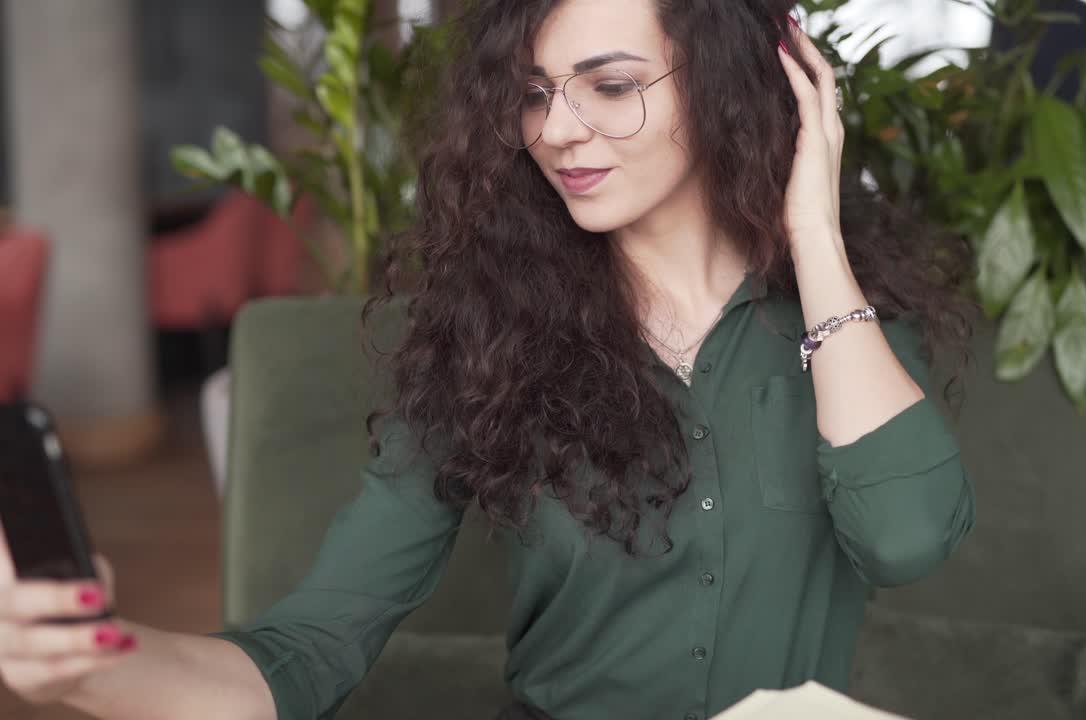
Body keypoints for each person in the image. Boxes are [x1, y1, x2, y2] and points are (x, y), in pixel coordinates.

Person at [0, 1, 976, 718]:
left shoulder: (844, 323)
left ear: (731, 86)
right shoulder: (488, 341)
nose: (555, 130)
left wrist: (812, 234)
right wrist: (92, 663)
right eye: (534, 94)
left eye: (610, 86)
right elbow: (306, 649)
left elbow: (905, 540)